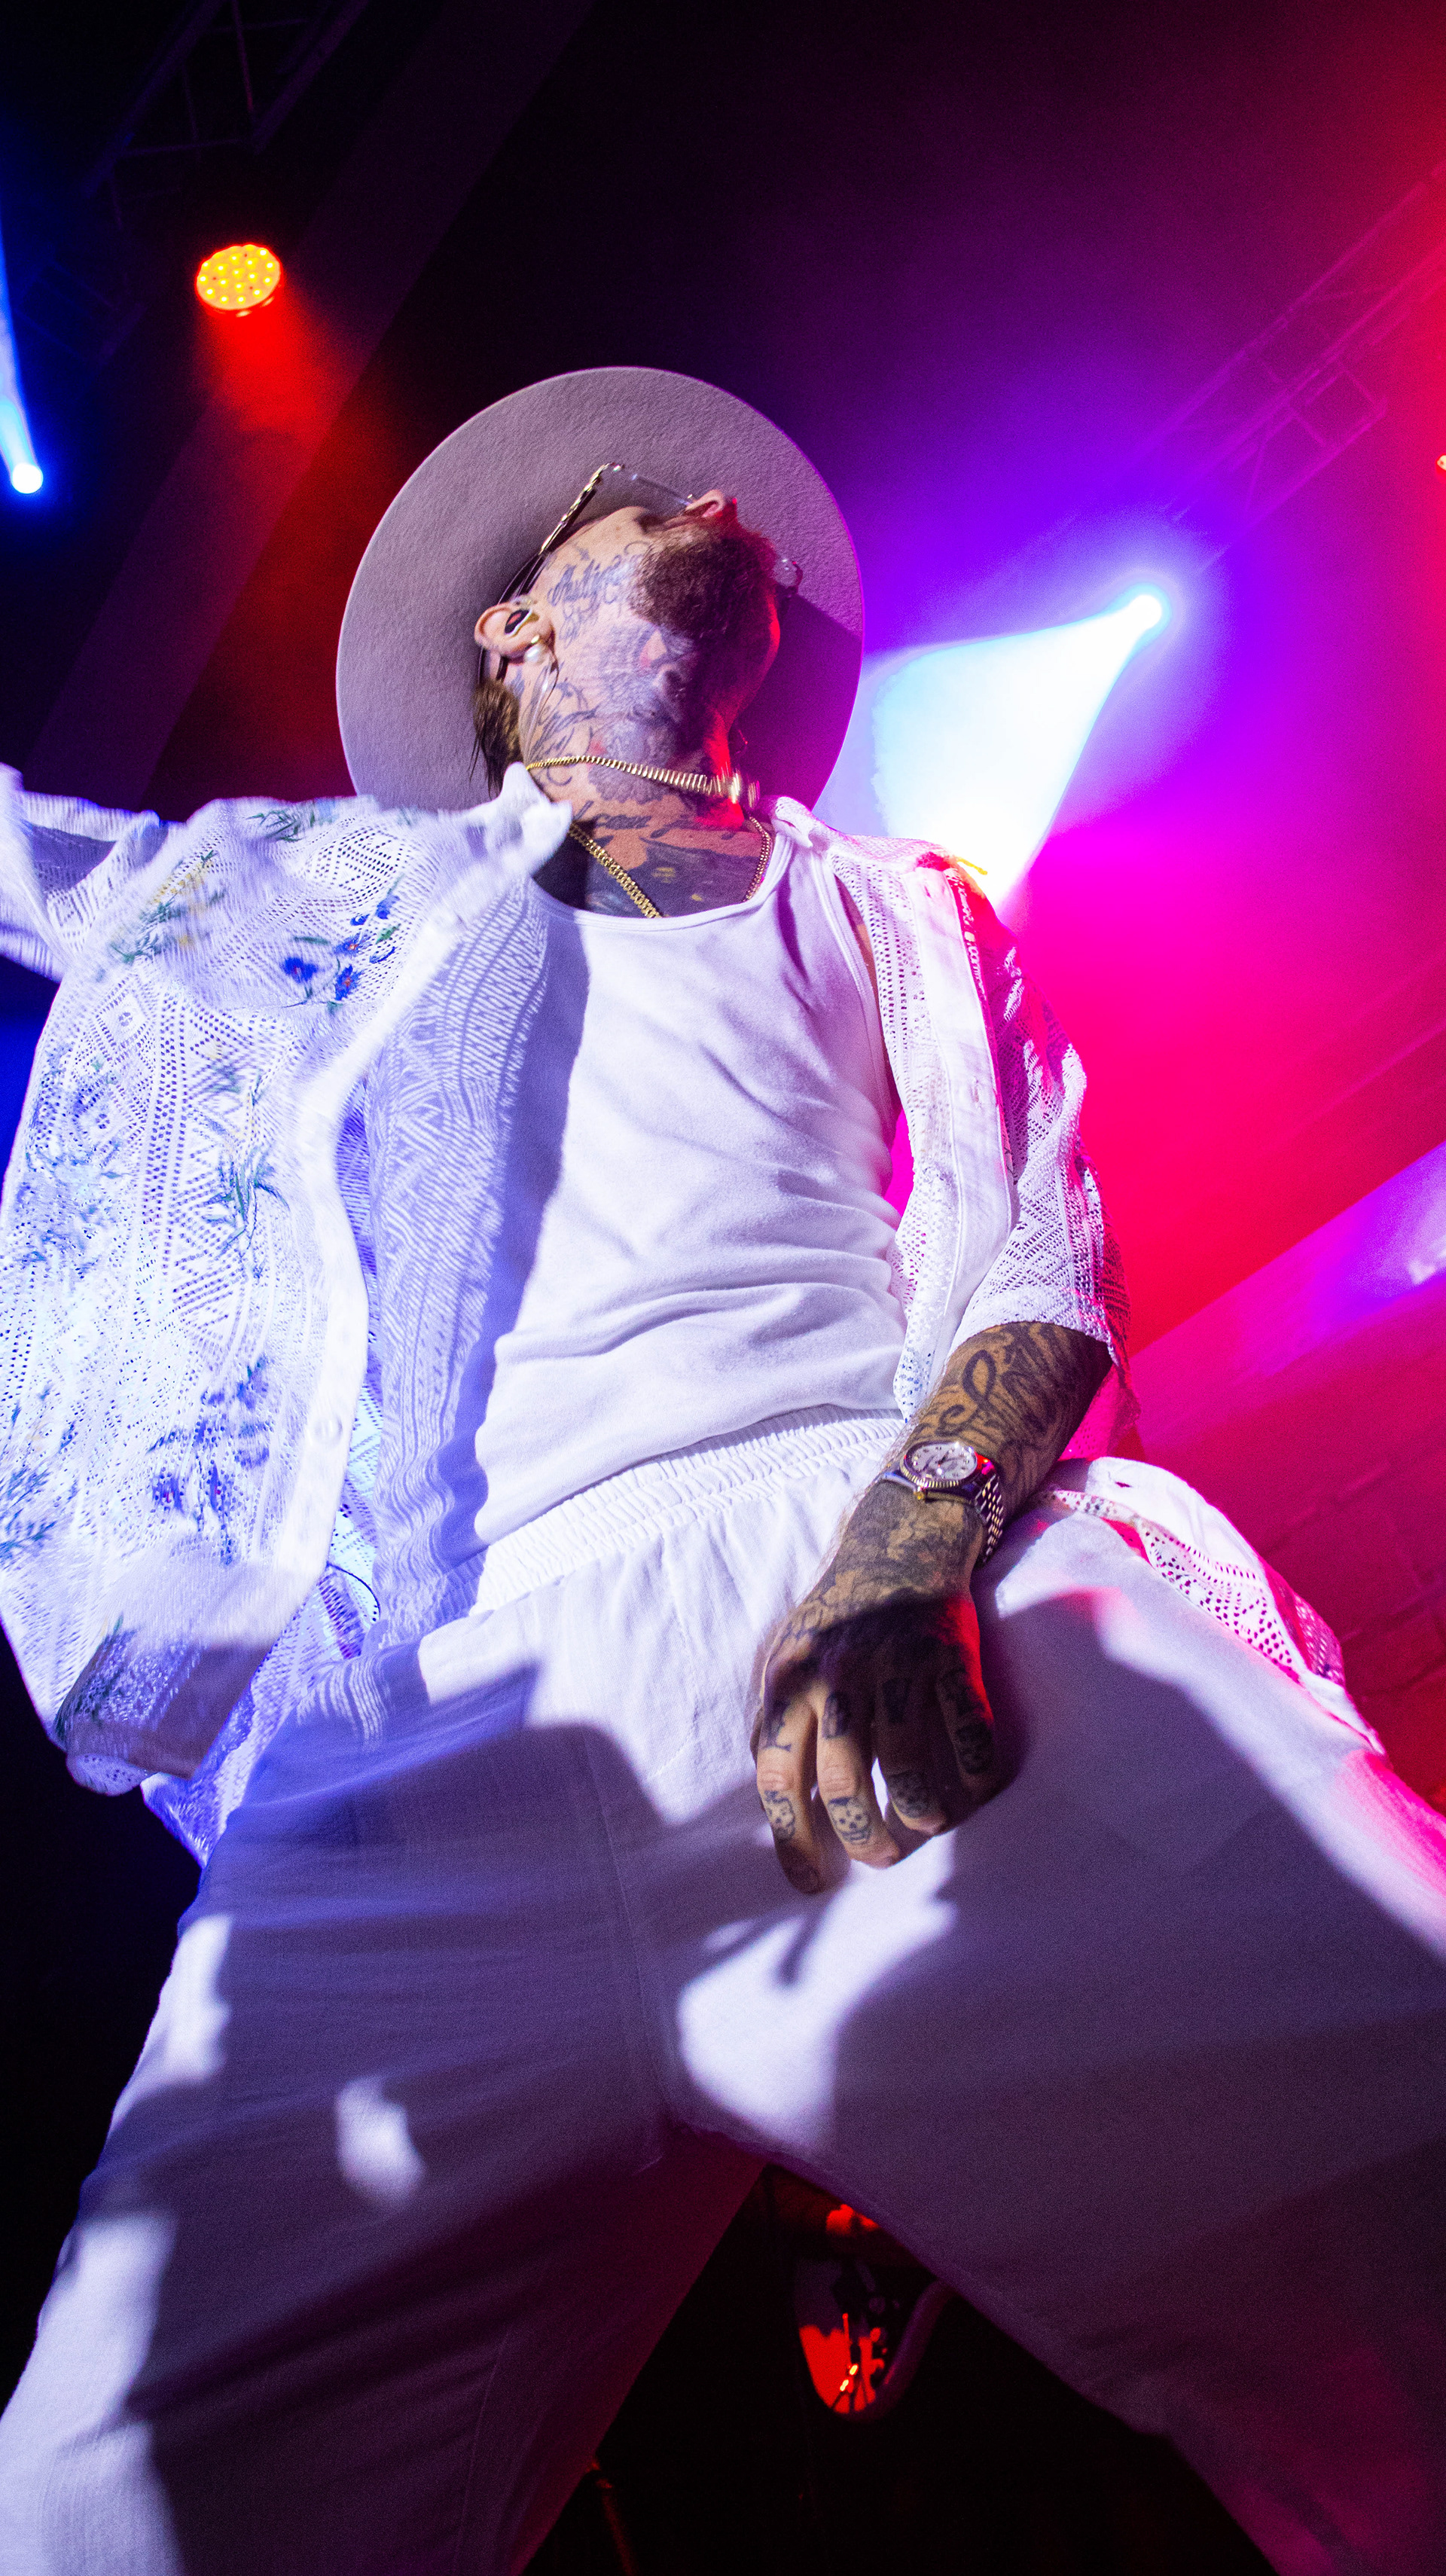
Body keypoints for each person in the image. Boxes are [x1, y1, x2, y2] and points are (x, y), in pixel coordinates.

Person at [1, 367, 1444, 2576]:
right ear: (511, 636)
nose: (711, 500)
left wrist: (904, 1558)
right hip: (430, 1755)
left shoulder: (896, 908)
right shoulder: (312, 909)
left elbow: (1036, 1260)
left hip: (895, 1596)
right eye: (630, 499)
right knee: (108, 2515)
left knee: (1403, 2152)